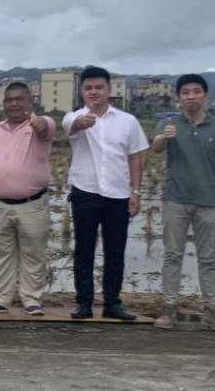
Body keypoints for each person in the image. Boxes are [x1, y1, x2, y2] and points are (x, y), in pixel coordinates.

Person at [63, 66, 148, 321]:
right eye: (88, 88)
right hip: (85, 191)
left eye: (99, 87)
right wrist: (80, 123)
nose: (94, 92)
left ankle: (112, 302)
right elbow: (70, 126)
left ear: (109, 89)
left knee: (115, 250)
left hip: (118, 194)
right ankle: (84, 303)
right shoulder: (74, 117)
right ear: (81, 91)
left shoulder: (127, 121)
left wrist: (135, 191)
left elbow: (135, 157)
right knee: (84, 250)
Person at [149, 74, 215, 332]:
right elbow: (156, 148)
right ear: (179, 97)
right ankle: (169, 310)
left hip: (208, 202)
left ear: (205, 95)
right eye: (185, 92)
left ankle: (211, 311)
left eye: (196, 91)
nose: (191, 96)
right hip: (175, 199)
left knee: (207, 258)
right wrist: (164, 137)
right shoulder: (168, 123)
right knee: (172, 255)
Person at [0, 82, 54, 316]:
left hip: (32, 204)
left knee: (33, 253)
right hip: (0, 204)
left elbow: (45, 127)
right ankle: (1, 298)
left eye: (19, 99)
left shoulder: (42, 124)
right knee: (1, 255)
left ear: (30, 101)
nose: (14, 104)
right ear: (3, 103)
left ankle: (31, 299)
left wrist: (38, 123)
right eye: (9, 100)